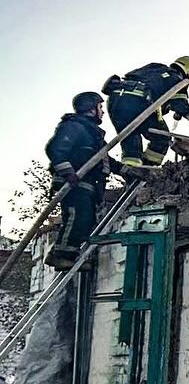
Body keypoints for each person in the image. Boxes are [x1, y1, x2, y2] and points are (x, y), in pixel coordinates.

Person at [44, 92, 119, 270]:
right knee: (78, 216)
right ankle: (62, 256)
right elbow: (55, 149)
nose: (103, 111)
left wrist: (126, 170)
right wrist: (68, 173)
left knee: (85, 218)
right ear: (91, 109)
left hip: (86, 183)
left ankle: (61, 253)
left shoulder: (92, 133)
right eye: (100, 107)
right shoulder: (74, 126)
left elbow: (104, 159)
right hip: (73, 183)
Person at [103, 56, 189, 167]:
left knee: (130, 139)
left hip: (115, 100)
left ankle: (131, 170)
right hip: (139, 101)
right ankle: (148, 168)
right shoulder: (179, 79)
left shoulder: (155, 68)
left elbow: (150, 85)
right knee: (161, 137)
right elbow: (183, 108)